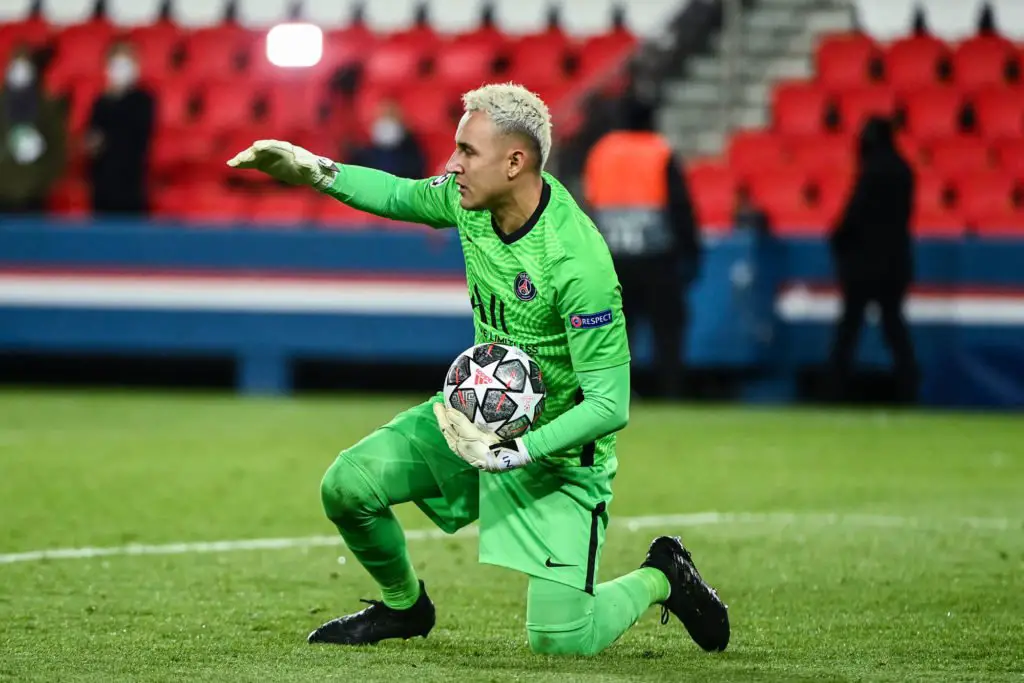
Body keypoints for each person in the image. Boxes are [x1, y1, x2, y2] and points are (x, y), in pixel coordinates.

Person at [227, 83, 729, 656]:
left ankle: (664, 575)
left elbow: (609, 405)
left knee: (562, 641)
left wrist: (521, 451)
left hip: (558, 459)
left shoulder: (578, 263)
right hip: (475, 421)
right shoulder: (471, 205)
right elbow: (398, 194)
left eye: (467, 151)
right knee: (347, 487)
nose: (453, 164)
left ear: (514, 163)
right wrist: (314, 169)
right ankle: (403, 606)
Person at [582, 97, 701, 400]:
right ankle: (670, 392)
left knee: (615, 331)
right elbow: (680, 207)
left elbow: (588, 206)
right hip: (656, 257)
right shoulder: (659, 151)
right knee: (667, 328)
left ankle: (613, 394)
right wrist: (691, 252)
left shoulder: (601, 151)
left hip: (611, 259)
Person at [828, 116, 918, 402]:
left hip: (864, 265)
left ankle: (835, 390)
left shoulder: (871, 172)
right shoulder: (904, 170)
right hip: (895, 263)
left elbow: (854, 216)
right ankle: (909, 388)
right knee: (894, 327)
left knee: (849, 330)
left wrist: (838, 240)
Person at [85, 41, 155, 215]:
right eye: (115, 64)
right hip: (102, 181)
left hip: (131, 180)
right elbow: (93, 135)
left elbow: (138, 136)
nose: (120, 70)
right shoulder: (100, 102)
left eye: (125, 64)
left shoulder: (143, 100)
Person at [0, 45, 66, 213]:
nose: (20, 70)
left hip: (35, 192)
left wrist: (45, 183)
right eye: (16, 64)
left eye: (25, 65)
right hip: (3, 190)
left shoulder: (46, 107)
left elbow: (58, 148)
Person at [347, 99, 427, 179]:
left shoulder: (414, 153)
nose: (386, 122)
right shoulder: (361, 155)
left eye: (391, 116)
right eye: (382, 116)